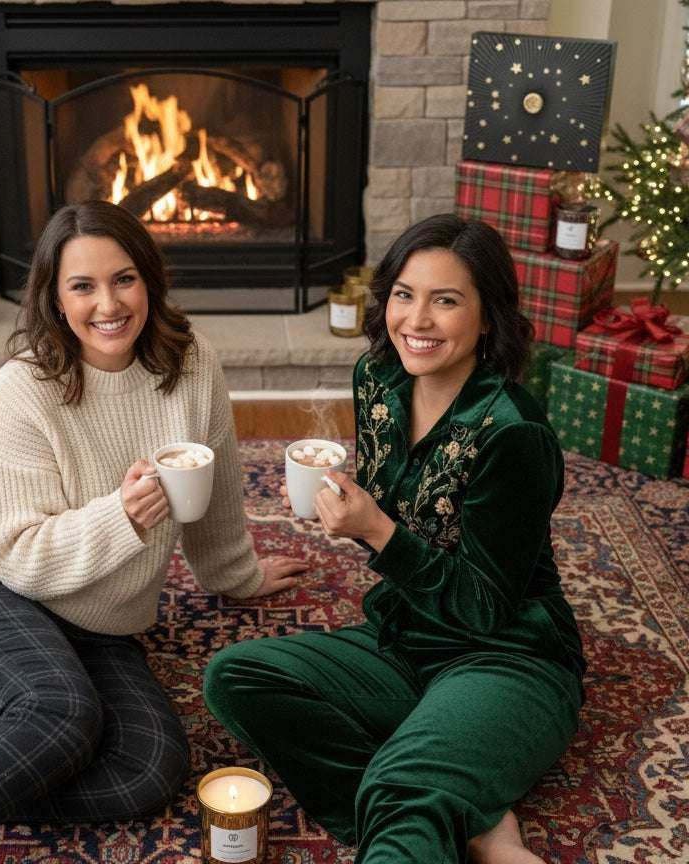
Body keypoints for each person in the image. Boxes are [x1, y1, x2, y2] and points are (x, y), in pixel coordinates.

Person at [0, 200, 307, 864]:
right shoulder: (23, 390)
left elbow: (215, 493)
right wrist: (124, 515)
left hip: (102, 622)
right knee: (61, 715)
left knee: (149, 769)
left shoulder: (192, 364)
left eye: (124, 278)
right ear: (53, 297)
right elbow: (19, 558)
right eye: (82, 285)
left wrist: (238, 575)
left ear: (151, 281)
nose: (108, 303)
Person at [204, 213, 585, 864]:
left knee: (399, 786)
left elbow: (484, 609)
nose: (417, 320)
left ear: (488, 317)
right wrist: (358, 516)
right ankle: (468, 806)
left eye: (446, 301)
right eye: (405, 295)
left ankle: (424, 792)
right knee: (235, 678)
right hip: (405, 641)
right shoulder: (378, 384)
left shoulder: (514, 434)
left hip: (507, 659)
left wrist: (376, 529)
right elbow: (408, 526)